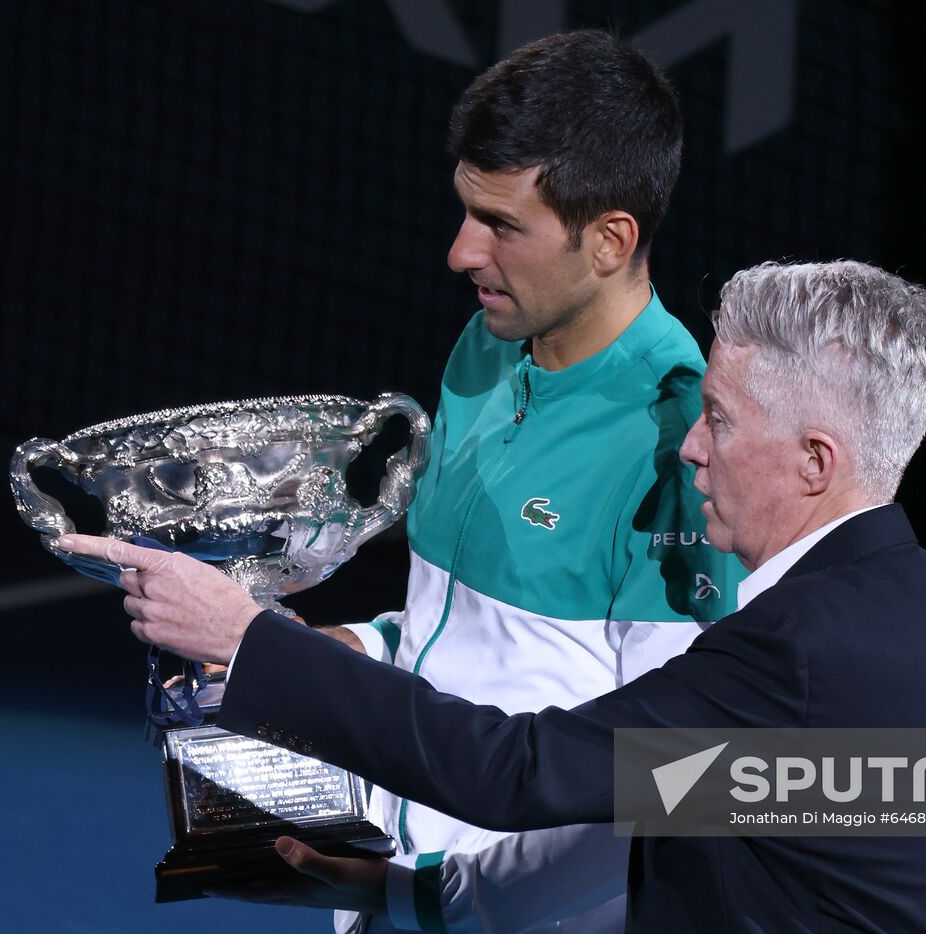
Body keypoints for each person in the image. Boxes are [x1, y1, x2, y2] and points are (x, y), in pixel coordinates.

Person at [62, 259, 926, 931]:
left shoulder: (791, 655)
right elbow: (635, 819)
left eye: (722, 423)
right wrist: (411, 899)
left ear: (814, 462)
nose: (691, 447)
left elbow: (513, 772)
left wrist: (248, 639)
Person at [124, 29, 741, 934]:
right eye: (466, 211)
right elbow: (466, 632)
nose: (461, 252)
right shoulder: (487, 349)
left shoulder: (680, 445)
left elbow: (665, 781)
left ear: (610, 240)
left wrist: (440, 901)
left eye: (500, 225)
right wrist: (335, 650)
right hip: (383, 889)